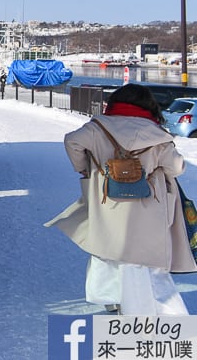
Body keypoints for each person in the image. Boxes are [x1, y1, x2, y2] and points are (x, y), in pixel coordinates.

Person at [45, 83, 196, 315]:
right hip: (149, 209)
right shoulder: (157, 135)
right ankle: (159, 318)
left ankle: (119, 303)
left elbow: (72, 141)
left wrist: (85, 168)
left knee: (111, 252)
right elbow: (177, 168)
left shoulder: (97, 128)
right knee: (148, 265)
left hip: (108, 204)